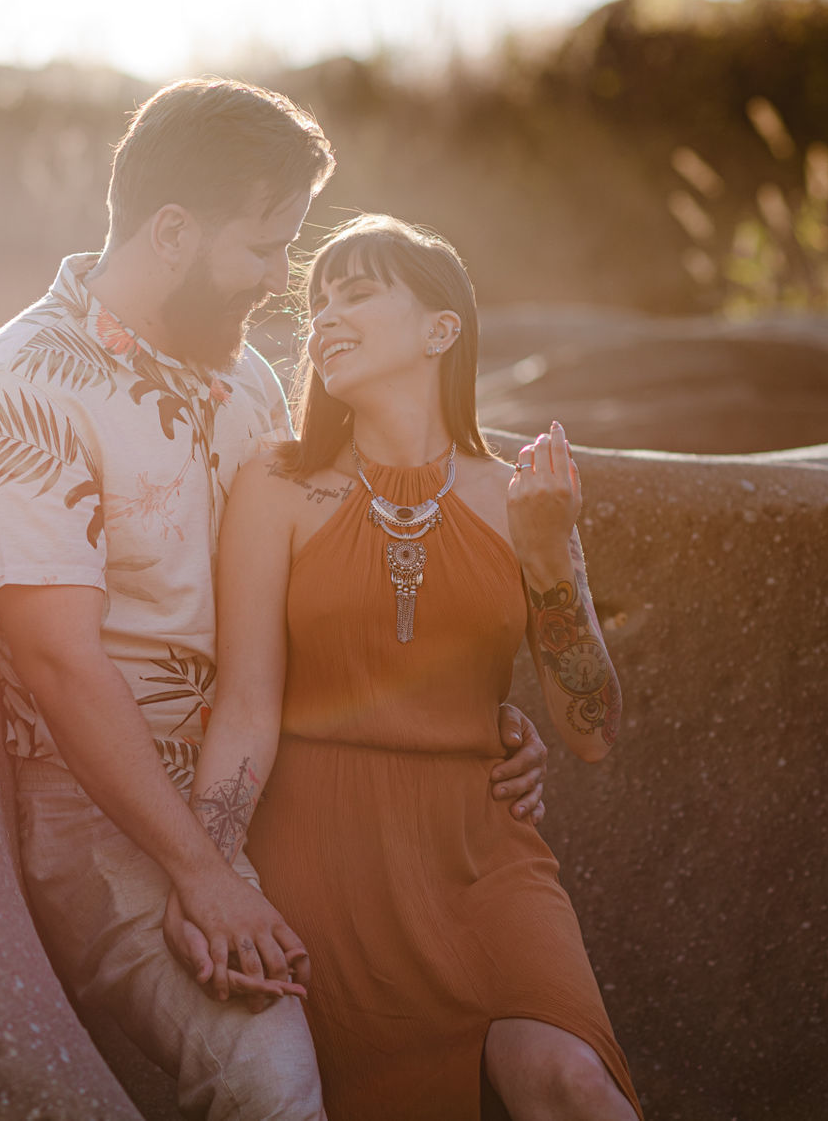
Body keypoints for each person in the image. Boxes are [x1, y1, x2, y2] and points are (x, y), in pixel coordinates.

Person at [0, 79, 550, 1120]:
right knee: (269, 1071)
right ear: (173, 230)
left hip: (285, 773)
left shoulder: (249, 382)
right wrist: (203, 874)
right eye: (265, 249)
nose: (282, 283)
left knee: (497, 1016)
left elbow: (324, 586)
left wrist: (461, 716)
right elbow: (59, 663)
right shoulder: (20, 396)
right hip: (114, 813)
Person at [167, 214, 643, 1120]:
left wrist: (549, 557)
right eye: (317, 304)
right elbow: (245, 706)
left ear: (441, 329)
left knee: (574, 1082)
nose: (324, 318)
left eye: (357, 293)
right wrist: (211, 874)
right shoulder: (279, 483)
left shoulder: (519, 498)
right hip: (322, 858)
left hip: (484, 853)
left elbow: (591, 734)